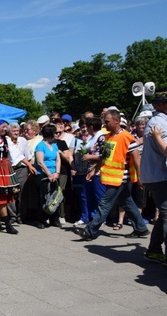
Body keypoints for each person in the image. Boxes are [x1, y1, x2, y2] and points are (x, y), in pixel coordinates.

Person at [76, 109, 149, 241]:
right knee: (127, 203)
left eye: (107, 121)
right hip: (112, 176)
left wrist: (140, 177)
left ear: (117, 121)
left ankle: (90, 231)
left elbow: (136, 157)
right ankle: (141, 228)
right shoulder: (109, 136)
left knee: (104, 204)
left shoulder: (126, 137)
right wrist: (94, 170)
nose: (105, 124)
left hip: (120, 177)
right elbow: (105, 157)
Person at [140, 89, 167, 263]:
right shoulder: (160, 123)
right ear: (160, 105)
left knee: (164, 214)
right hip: (160, 175)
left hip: (156, 175)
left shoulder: (158, 121)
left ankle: (154, 249)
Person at [32, 124, 61, 228]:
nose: (58, 134)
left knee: (55, 197)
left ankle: (54, 219)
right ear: (50, 134)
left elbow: (58, 159)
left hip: (54, 175)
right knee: (43, 198)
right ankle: (41, 219)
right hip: (43, 175)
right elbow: (40, 162)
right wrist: (48, 174)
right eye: (55, 132)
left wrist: (57, 173)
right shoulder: (41, 146)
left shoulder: (55, 145)